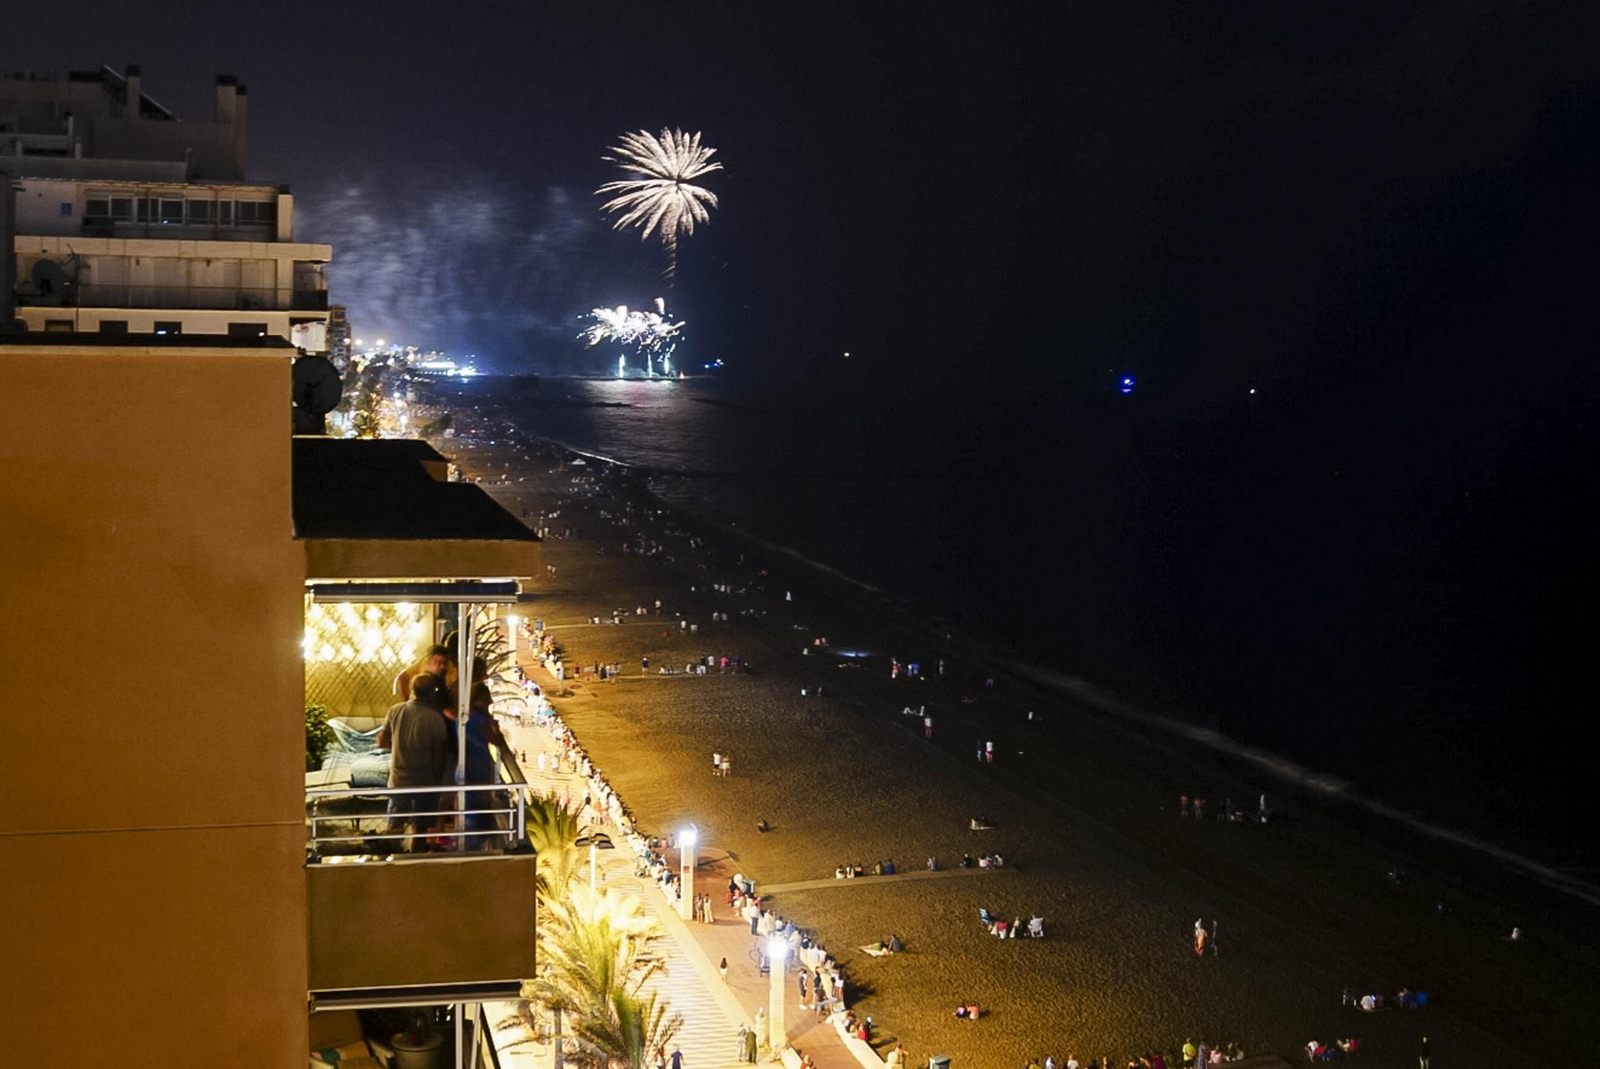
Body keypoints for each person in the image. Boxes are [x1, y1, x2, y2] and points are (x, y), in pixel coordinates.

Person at [377, 674, 452, 852]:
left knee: (394, 825)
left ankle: (391, 858)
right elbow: (440, 754)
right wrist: (439, 780)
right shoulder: (435, 718)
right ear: (432, 693)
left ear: (412, 691)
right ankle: (415, 859)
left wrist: (397, 750)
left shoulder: (396, 710)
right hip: (425, 781)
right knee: (421, 829)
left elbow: (381, 741)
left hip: (399, 780)